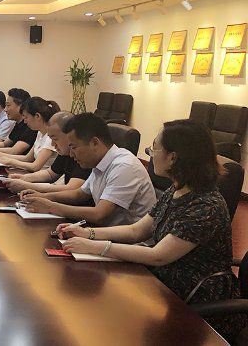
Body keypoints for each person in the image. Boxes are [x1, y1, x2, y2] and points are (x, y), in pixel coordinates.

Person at [58, 120, 246, 340]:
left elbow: (158, 256)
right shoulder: (176, 190)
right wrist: (88, 234)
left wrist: (95, 247)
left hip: (194, 302)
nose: (149, 154)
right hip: (161, 284)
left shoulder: (206, 206)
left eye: (153, 148)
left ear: (173, 158)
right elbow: (137, 231)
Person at [20, 112, 156, 226]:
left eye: (74, 147)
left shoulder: (124, 166)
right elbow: (79, 194)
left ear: (94, 143)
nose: (71, 155)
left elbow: (99, 214)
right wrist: (43, 197)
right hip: (106, 233)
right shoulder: (100, 162)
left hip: (131, 244)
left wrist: (50, 207)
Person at [1, 111, 91, 193]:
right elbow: (50, 174)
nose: (52, 144)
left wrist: (27, 186)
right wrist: (24, 178)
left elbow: (72, 189)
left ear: (69, 135)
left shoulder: (83, 154)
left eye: (55, 139)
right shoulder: (65, 152)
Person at [0, 96, 59, 172]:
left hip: (41, 176)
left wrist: (10, 162)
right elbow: (27, 158)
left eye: (26, 117)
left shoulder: (50, 136)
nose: (24, 121)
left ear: (37, 116)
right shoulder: (40, 133)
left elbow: (35, 166)